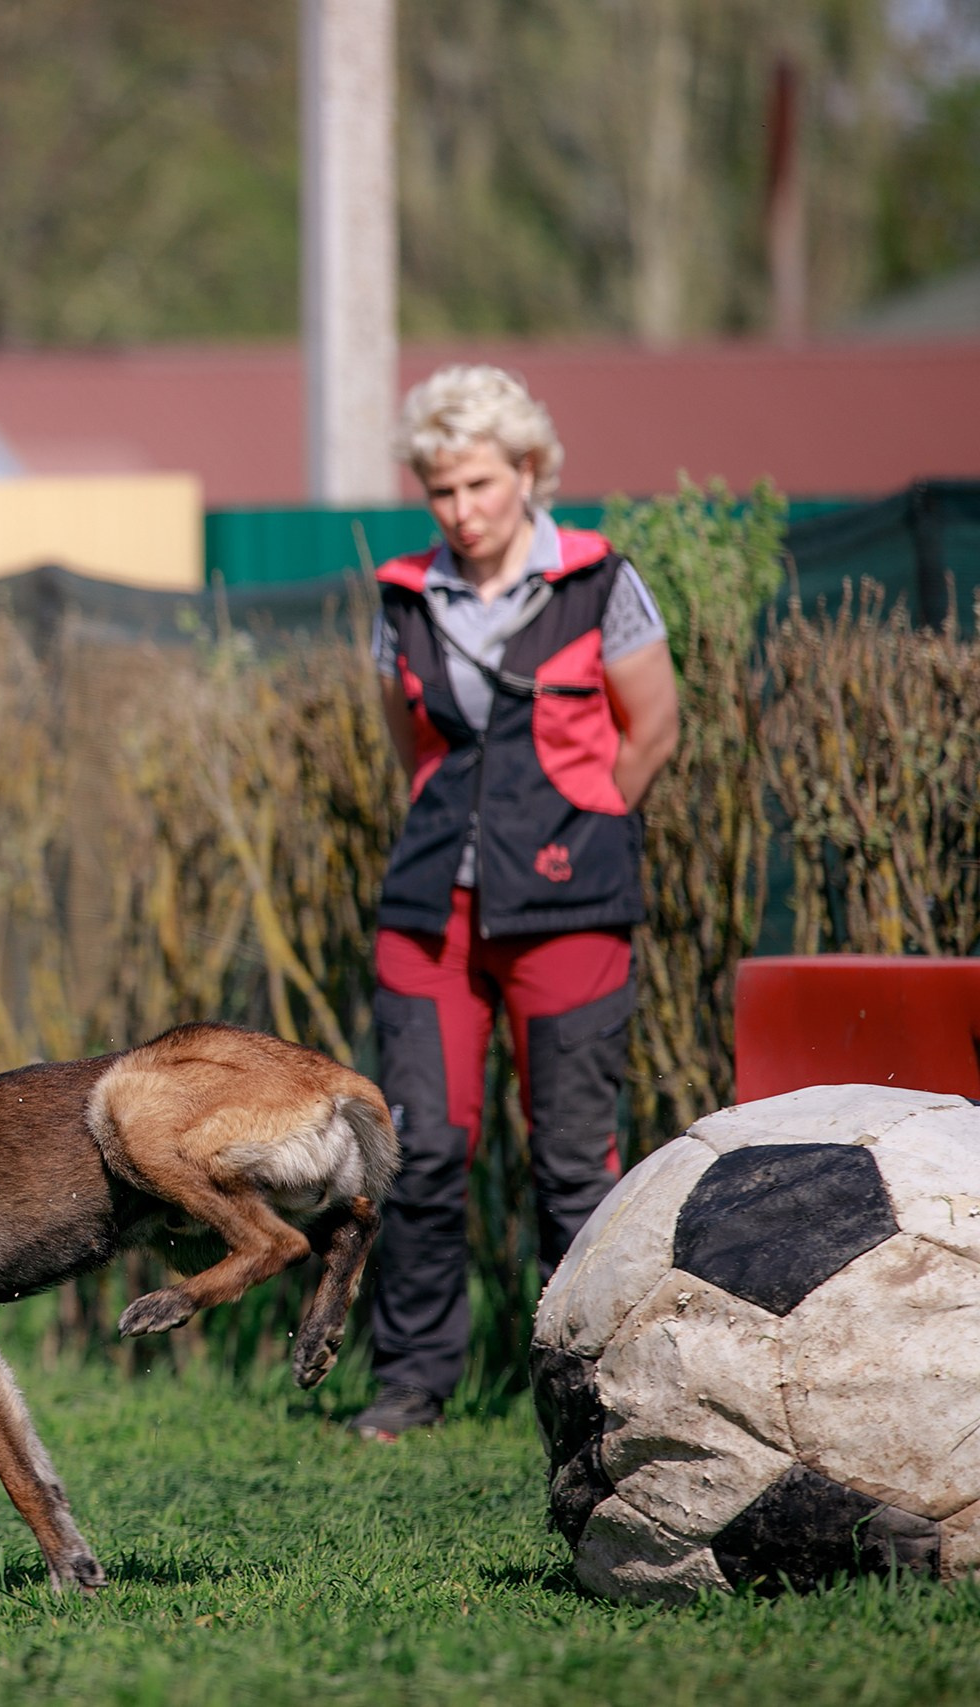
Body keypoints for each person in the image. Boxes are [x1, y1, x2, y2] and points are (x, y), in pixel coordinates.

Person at [351, 365, 681, 1442]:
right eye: (441, 491)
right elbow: (411, 750)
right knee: (419, 1152)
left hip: (569, 911)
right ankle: (410, 1385)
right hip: (429, 915)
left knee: (570, 1162)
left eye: (481, 485)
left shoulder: (600, 581)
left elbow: (652, 732)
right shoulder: (401, 597)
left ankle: (590, 1393)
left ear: (529, 471)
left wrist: (577, 832)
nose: (461, 511)